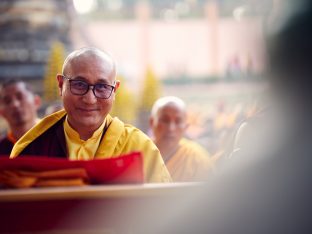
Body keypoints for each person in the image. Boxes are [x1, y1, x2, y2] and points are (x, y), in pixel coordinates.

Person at [10, 47, 171, 183]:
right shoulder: (32, 148)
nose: (89, 99)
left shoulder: (139, 148)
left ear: (114, 91)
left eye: (101, 87)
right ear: (61, 85)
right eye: (79, 85)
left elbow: (163, 208)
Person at [149, 96, 214, 182]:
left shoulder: (197, 158)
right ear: (152, 122)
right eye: (165, 120)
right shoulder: (141, 151)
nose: (171, 128)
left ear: (186, 127)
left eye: (178, 121)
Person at [0, 80, 41, 156]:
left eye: (20, 97)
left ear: (36, 101)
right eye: (7, 101)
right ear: (1, 112)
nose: (15, 105)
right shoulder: (2, 148)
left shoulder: (59, 137)